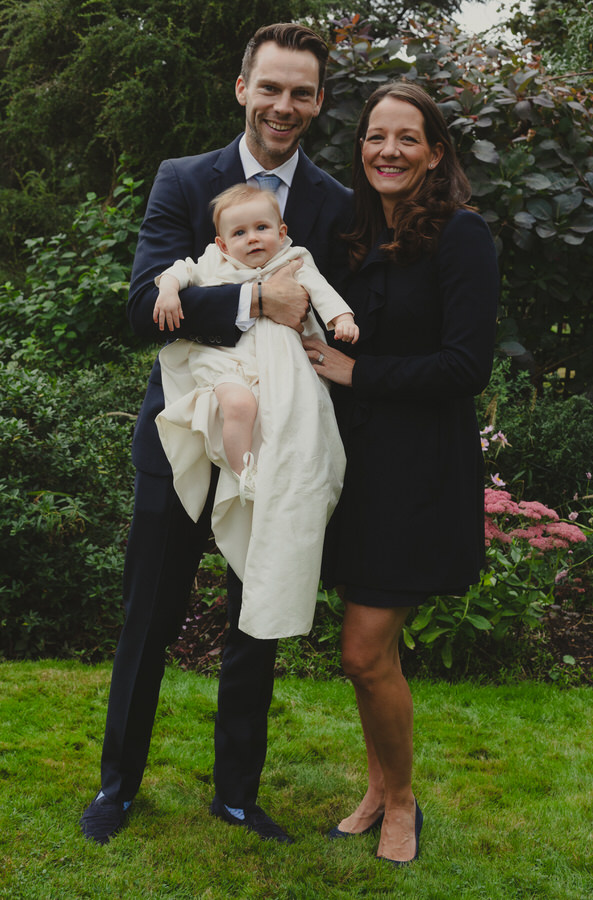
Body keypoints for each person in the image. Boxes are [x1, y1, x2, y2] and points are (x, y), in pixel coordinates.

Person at [80, 22, 352, 846]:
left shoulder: (335, 203)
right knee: (148, 621)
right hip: (181, 442)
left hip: (277, 449)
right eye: (270, 87)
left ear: (317, 101)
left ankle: (236, 794)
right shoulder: (182, 178)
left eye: (301, 91)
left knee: (255, 621)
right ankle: (118, 786)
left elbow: (338, 316)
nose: (284, 105)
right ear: (242, 88)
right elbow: (141, 308)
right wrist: (250, 304)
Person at [303, 82, 498, 866]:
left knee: (360, 651)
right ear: (361, 148)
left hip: (419, 474)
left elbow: (465, 367)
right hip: (355, 470)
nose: (388, 150)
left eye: (407, 138)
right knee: (369, 658)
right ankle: (379, 787)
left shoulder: (462, 236)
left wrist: (358, 375)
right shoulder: (352, 239)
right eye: (376, 136)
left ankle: (404, 802)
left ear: (436, 152)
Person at [152, 184, 358, 639]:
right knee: (240, 404)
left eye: (262, 228)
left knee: (295, 432)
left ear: (281, 231)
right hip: (225, 361)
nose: (253, 239)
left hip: (278, 365)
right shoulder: (214, 262)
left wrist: (341, 318)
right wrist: (168, 290)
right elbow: (178, 271)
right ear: (224, 243)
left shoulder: (293, 260)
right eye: (240, 233)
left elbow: (321, 292)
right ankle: (243, 470)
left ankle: (266, 478)